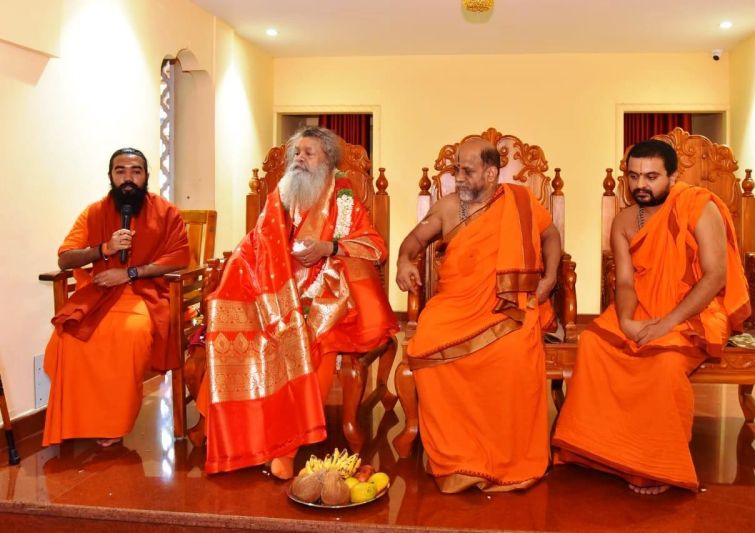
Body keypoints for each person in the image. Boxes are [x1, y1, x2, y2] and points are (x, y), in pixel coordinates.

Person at [552, 140, 750, 494]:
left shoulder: (699, 207)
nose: (640, 184)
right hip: (642, 305)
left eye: (651, 177)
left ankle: (654, 466)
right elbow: (626, 282)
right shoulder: (625, 221)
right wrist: (627, 321)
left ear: (673, 176)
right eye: (633, 176)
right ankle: (599, 450)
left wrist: (668, 322)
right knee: (595, 345)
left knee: (664, 363)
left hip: (695, 309)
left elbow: (715, 276)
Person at [198, 126, 398, 478]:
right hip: (275, 292)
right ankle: (231, 432)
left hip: (325, 299)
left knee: (314, 342)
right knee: (243, 335)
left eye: (309, 153)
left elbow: (375, 247)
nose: (299, 159)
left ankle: (285, 447)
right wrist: (261, 285)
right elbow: (257, 244)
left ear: (328, 161)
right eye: (297, 153)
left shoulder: (345, 199)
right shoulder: (282, 194)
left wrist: (329, 248)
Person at [395, 138, 562, 493]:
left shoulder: (520, 200)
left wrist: (549, 278)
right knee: (426, 345)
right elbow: (414, 240)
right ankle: (457, 457)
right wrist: (403, 261)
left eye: (467, 171)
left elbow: (549, 235)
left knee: (514, 350)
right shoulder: (447, 207)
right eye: (456, 169)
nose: (458, 177)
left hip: (508, 303)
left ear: (490, 173)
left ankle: (507, 459)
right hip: (455, 303)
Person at [43, 148, 190, 447]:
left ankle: (112, 424)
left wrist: (130, 273)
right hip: (100, 295)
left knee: (128, 336)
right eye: (120, 171)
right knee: (65, 339)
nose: (128, 178)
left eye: (136, 171)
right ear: (110, 176)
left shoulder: (166, 212)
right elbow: (65, 259)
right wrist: (104, 249)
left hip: (147, 295)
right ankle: (77, 422)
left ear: (146, 176)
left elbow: (179, 258)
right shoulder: (94, 212)